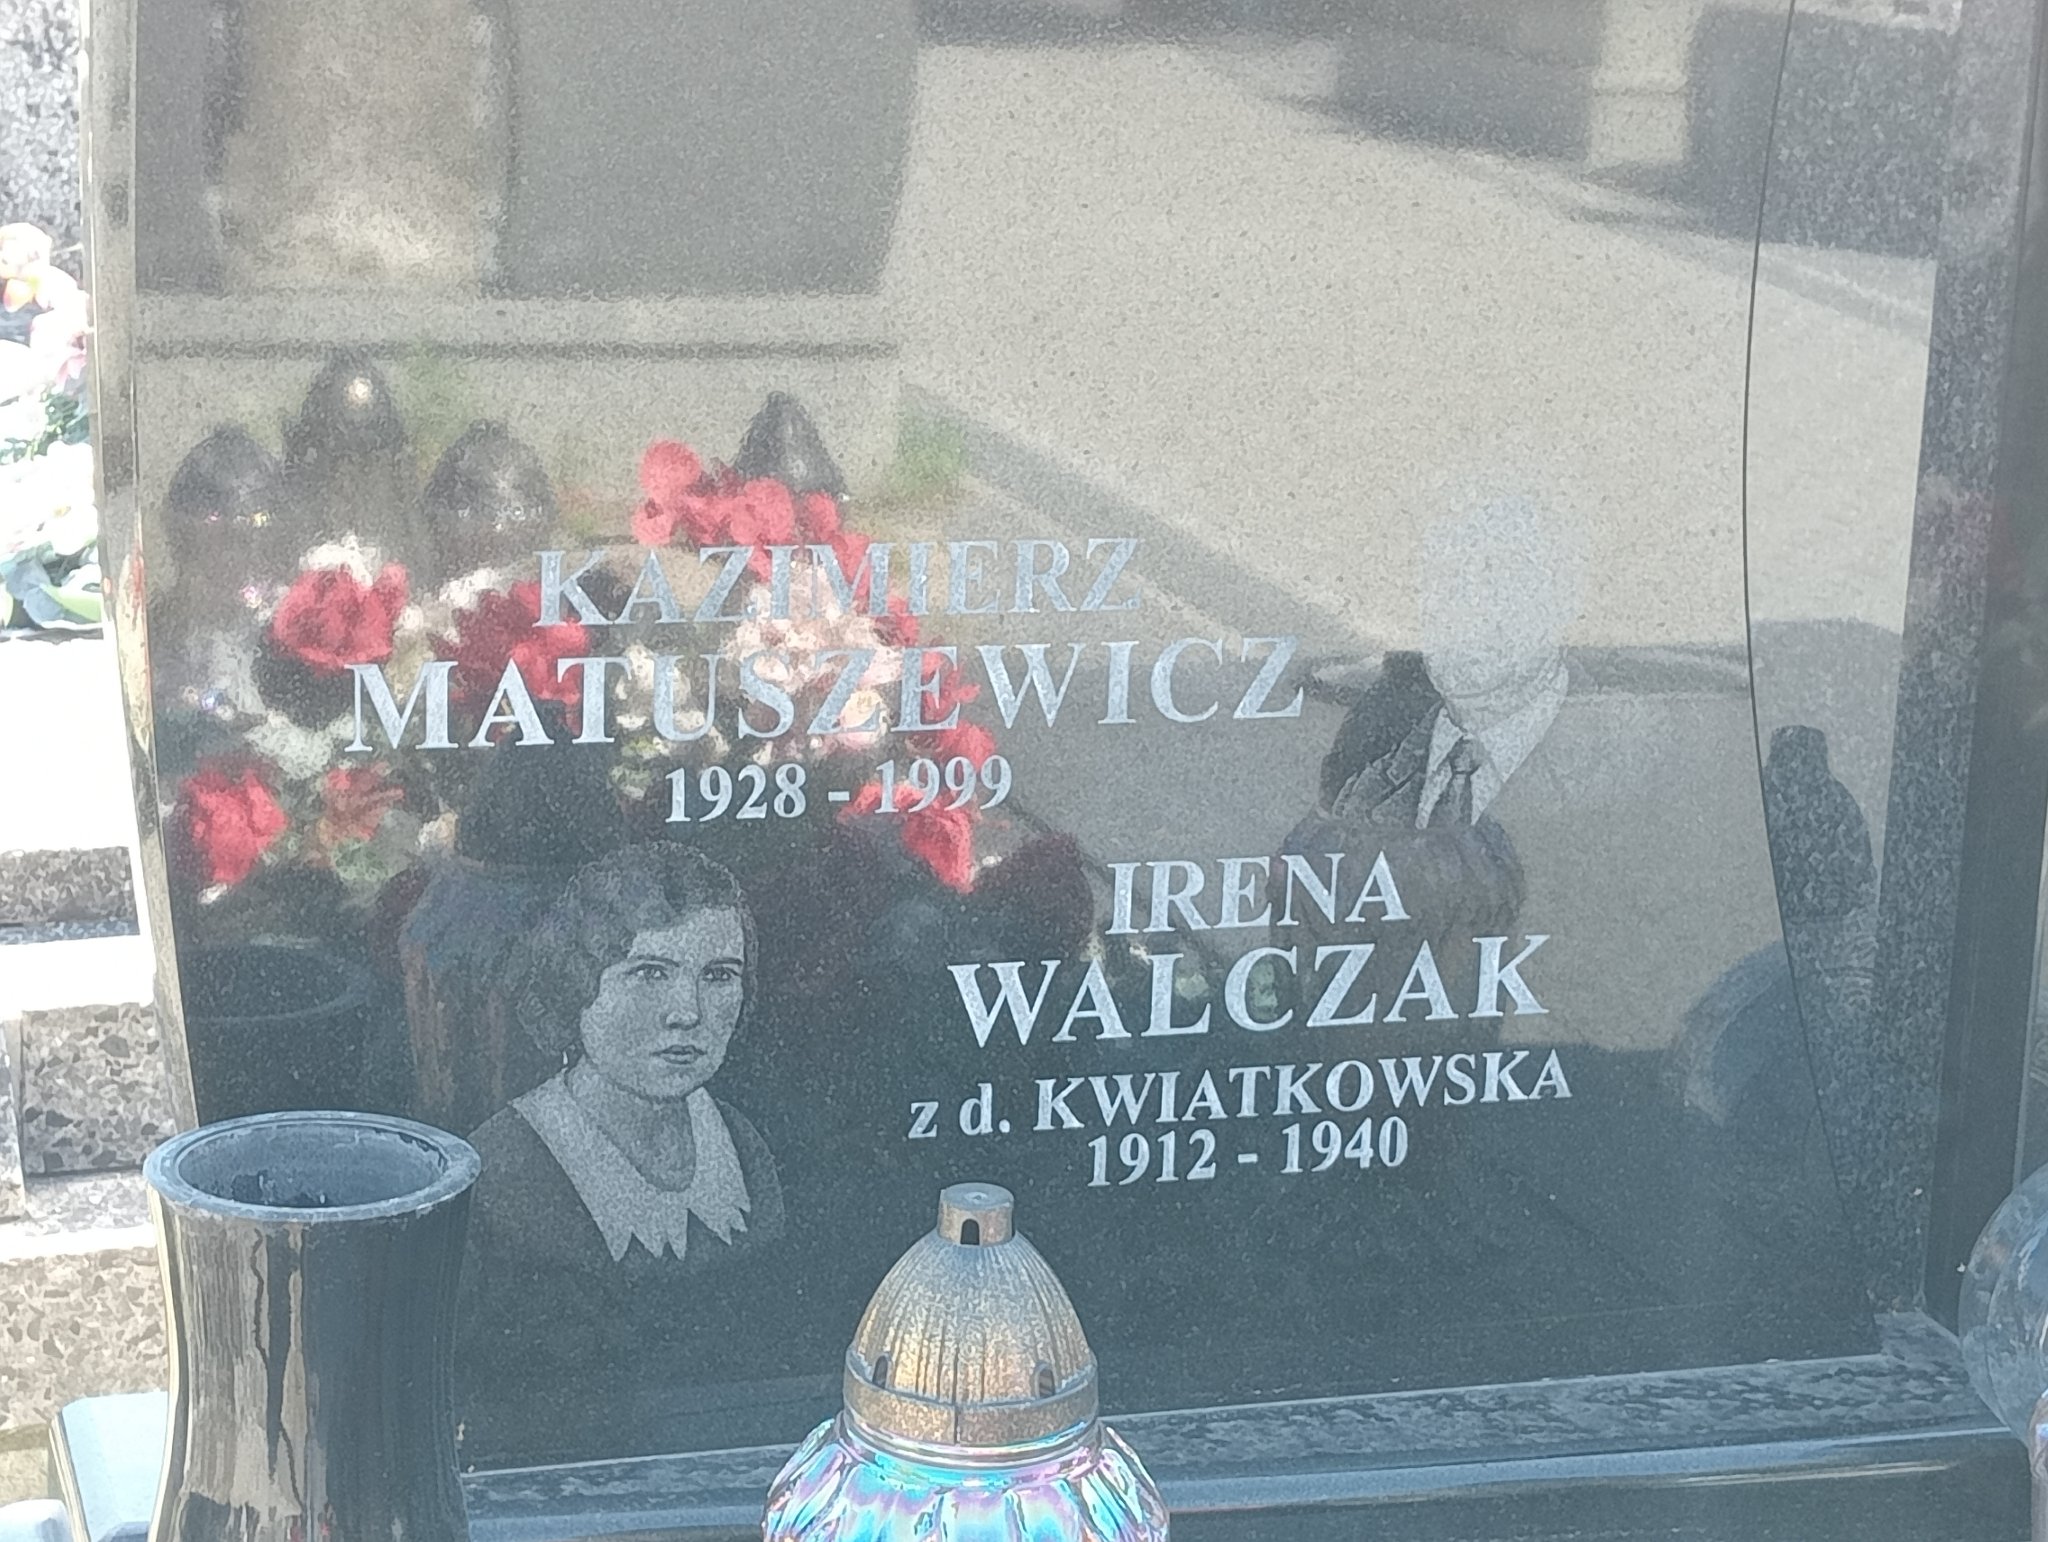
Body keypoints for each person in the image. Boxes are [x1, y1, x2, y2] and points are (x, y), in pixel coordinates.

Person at [456, 842, 786, 1464]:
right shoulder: (503, 1171)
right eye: (650, 973)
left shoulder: (744, 1147)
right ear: (578, 985)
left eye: (718, 975)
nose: (687, 1013)